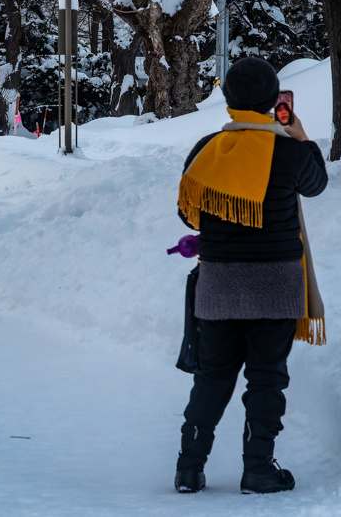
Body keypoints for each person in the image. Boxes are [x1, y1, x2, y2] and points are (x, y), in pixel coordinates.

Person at [174, 57, 328, 494]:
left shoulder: (205, 150)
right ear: (273, 100)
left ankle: (189, 467)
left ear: (228, 100)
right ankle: (258, 467)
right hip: (277, 285)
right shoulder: (290, 150)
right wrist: (301, 137)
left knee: (213, 375)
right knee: (267, 376)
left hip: (219, 283)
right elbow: (317, 186)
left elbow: (189, 218)